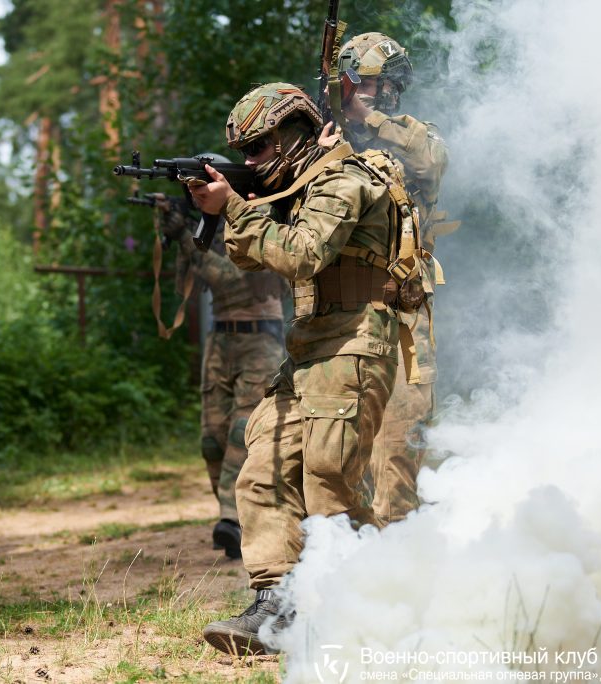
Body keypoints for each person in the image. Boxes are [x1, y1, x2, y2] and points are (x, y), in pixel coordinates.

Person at [190, 83, 422, 655]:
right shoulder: (301, 187)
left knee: (328, 480)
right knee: (261, 468)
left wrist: (235, 208)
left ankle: (384, 596)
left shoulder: (348, 179)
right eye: (244, 152)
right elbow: (258, 255)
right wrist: (231, 209)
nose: (250, 162)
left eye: (259, 147)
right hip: (309, 347)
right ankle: (276, 604)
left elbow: (301, 254)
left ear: (293, 135)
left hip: (354, 345)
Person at [321, 32, 450, 524]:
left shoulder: (413, 135)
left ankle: (397, 548)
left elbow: (433, 160)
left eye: (387, 84)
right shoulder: (324, 139)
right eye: (369, 84)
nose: (381, 93)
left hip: (403, 309)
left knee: (399, 433)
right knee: (334, 440)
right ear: (347, 83)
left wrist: (368, 120)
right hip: (337, 312)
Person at [154, 171, 287, 560]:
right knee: (211, 440)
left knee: (241, 435)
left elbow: (230, 279)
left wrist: (184, 237)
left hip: (261, 339)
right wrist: (179, 234)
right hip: (221, 341)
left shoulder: (261, 220)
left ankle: (233, 517)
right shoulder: (208, 229)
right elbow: (185, 284)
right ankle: (233, 521)